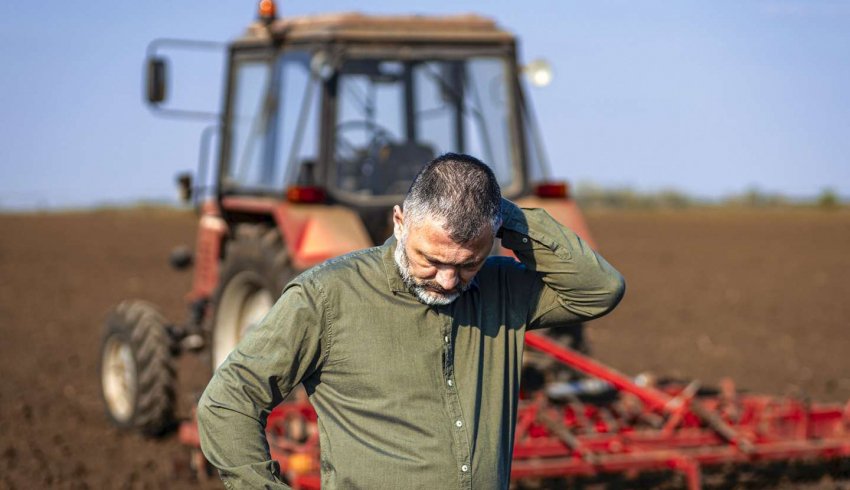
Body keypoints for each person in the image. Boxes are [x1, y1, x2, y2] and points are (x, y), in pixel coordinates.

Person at [197, 153, 625, 489]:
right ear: (400, 222)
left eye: (468, 264)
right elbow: (227, 401)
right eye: (431, 259)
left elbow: (598, 289)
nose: (447, 280)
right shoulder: (327, 296)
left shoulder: (501, 290)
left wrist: (503, 214)